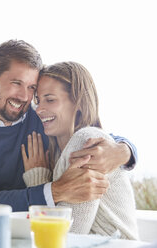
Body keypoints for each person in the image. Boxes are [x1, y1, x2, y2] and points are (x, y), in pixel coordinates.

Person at [0, 39, 137, 211]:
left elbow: (89, 133)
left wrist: (124, 150)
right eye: (16, 83)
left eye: (31, 87)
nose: (24, 97)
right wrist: (56, 191)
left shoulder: (43, 119)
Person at [21, 62, 138, 239]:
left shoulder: (86, 141)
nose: (39, 109)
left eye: (50, 99)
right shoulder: (62, 152)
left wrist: (37, 181)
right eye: (38, 100)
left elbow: (65, 235)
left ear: (80, 103)